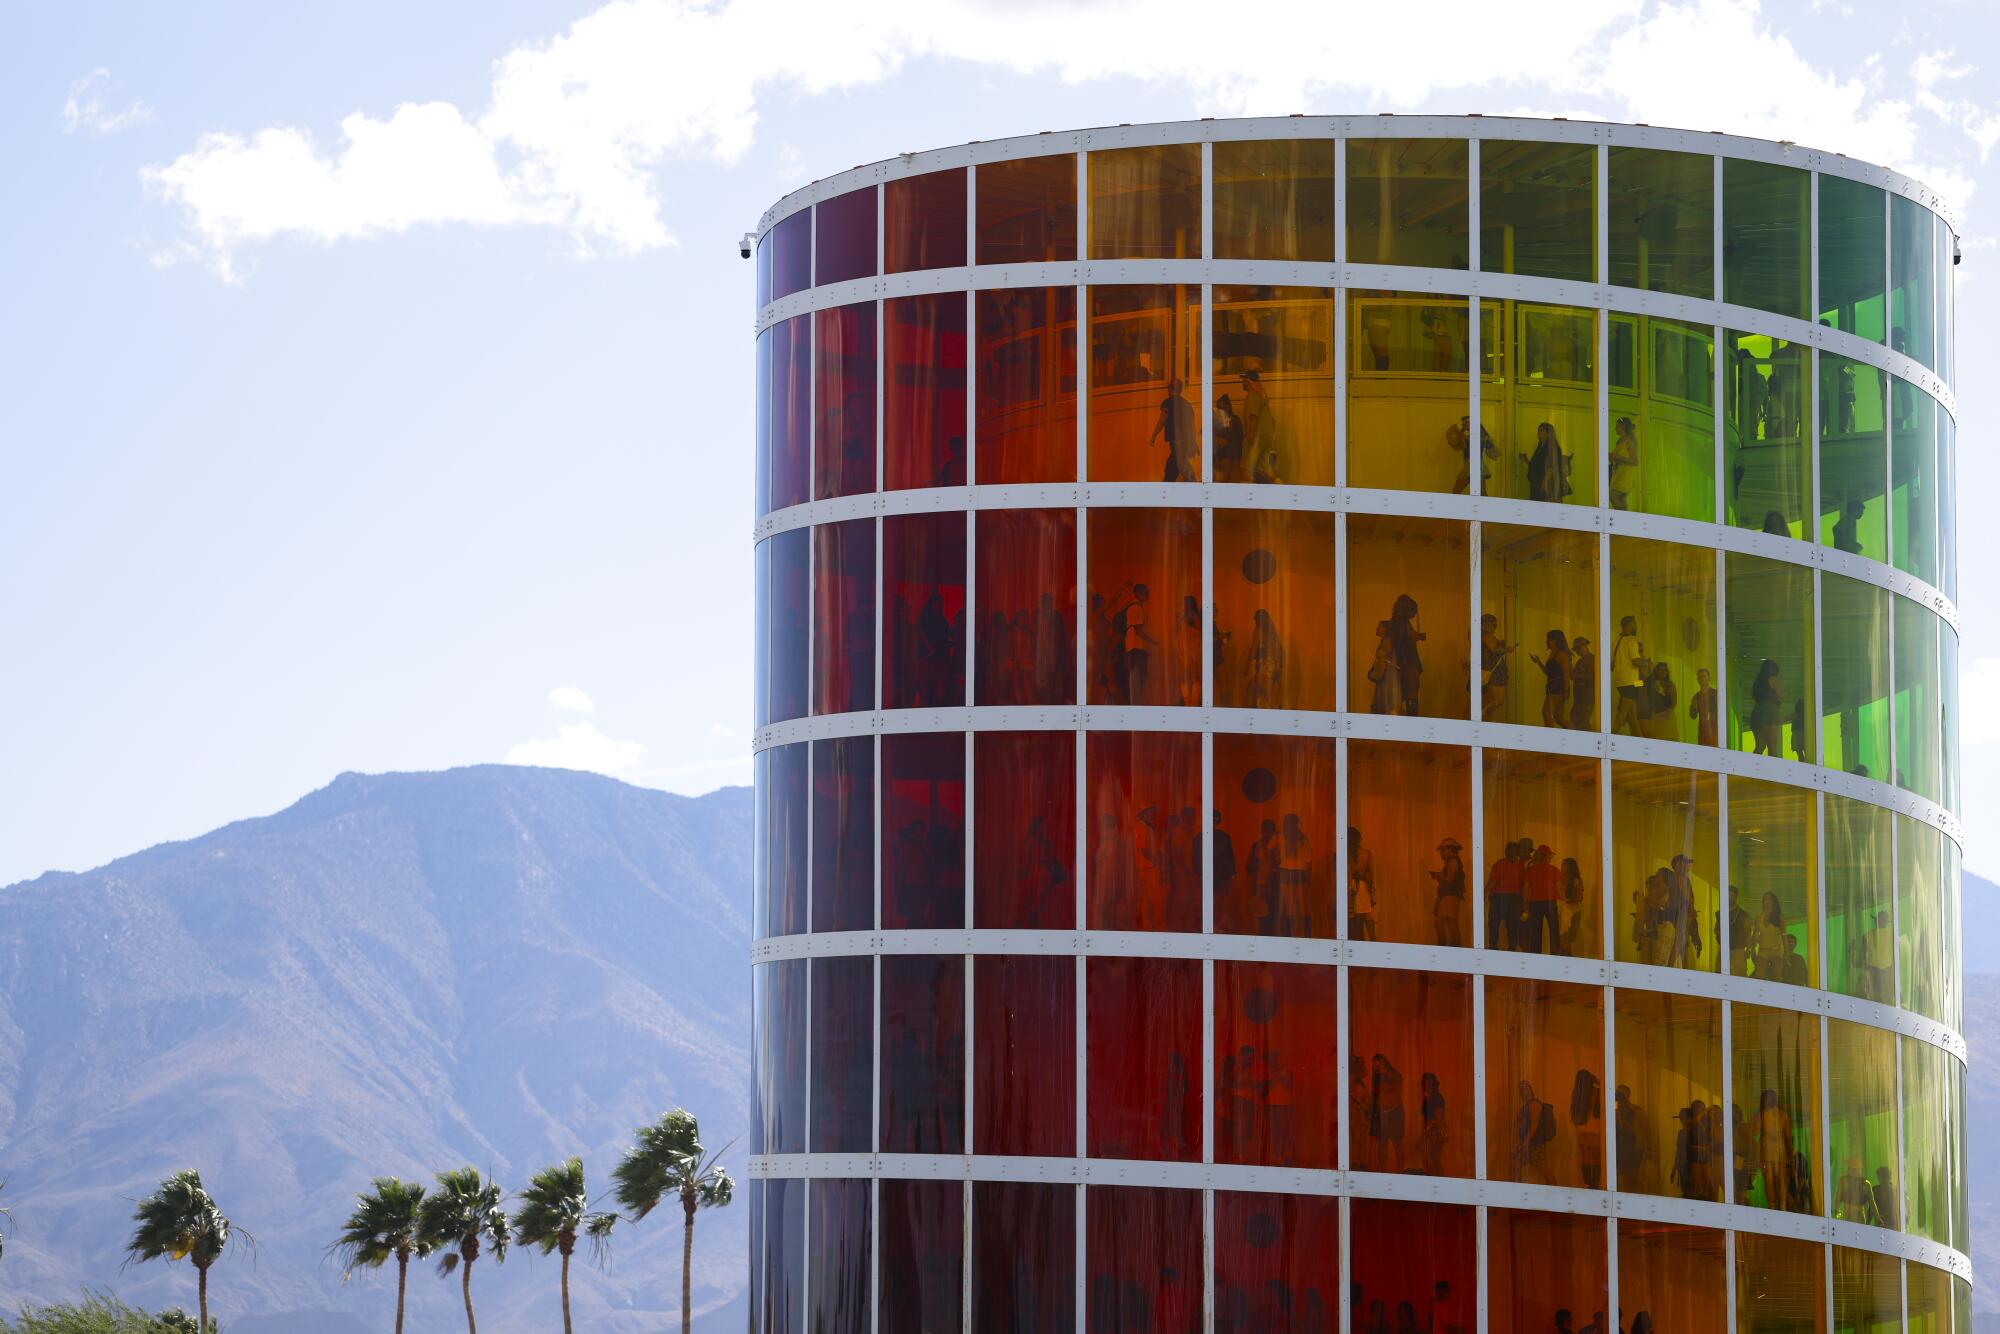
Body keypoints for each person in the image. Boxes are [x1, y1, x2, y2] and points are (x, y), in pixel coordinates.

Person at [1111, 583, 1157, 705]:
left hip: (1134, 647)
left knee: (1136, 676)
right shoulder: (1136, 608)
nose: (1147, 594)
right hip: (1136, 647)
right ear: (1138, 594)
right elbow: (1138, 630)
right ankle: (1134, 703)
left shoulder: (1135, 607)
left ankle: (1134, 702)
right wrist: (1152, 640)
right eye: (1144, 592)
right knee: (1136, 676)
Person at [1149, 378, 1199, 482]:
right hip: (1185, 442)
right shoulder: (1187, 405)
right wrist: (1194, 442)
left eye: (1169, 387)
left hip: (1176, 442)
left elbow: (1162, 421)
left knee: (1174, 467)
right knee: (1179, 465)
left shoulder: (1167, 403)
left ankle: (1190, 485)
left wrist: (1154, 435)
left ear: (1171, 389)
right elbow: (1191, 426)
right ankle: (1191, 484)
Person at [1385, 594, 1426, 716]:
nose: (1415, 613)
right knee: (1412, 695)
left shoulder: (1396, 622)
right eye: (1413, 610)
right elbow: (1411, 637)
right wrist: (1419, 636)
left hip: (1402, 664)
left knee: (1406, 695)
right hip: (1409, 663)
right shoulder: (1403, 623)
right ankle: (1412, 721)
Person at [1757, 1089, 1795, 1211]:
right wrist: (1790, 1154)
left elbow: (1756, 1131)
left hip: (1767, 1148)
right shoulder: (1783, 1115)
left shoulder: (1763, 1114)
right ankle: (1782, 1205)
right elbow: (1788, 1138)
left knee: (1769, 1178)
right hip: (1780, 1148)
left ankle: (1772, 1205)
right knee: (1780, 1179)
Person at [1485, 838, 1527, 951]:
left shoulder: (1500, 864)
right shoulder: (1519, 866)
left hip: (1500, 897)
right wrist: (1524, 901)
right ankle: (1511, 947)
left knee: (1495, 923)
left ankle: (1494, 946)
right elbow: (1523, 886)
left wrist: (1484, 893)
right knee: (1512, 925)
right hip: (1514, 898)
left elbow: (1492, 882)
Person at [1277, 813, 1313, 936]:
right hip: (1300, 874)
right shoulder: (1302, 838)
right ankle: (1301, 934)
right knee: (1302, 907)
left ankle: (1290, 933)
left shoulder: (1280, 837)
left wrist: (1275, 864)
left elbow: (1269, 850)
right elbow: (1309, 860)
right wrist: (1309, 877)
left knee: (1288, 906)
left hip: (1285, 873)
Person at [1513, 1080, 1555, 1183]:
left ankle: (1555, 1189)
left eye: (1525, 1088)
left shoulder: (1534, 1103)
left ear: (1530, 1090)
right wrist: (1520, 1144)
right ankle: (1515, 1190)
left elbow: (1534, 1124)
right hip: (1528, 1143)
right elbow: (1521, 1127)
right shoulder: (1524, 1107)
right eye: (1521, 1089)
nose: (1523, 1091)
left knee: (1543, 1169)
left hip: (1535, 1144)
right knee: (1516, 1163)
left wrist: (1526, 1143)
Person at [1369, 1054, 1405, 1172]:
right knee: (1382, 1144)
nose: (1377, 1067)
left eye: (1379, 1064)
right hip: (1381, 1115)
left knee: (1397, 1143)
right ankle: (1383, 1170)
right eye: (1375, 1065)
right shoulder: (1376, 1077)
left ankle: (1400, 1170)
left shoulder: (1394, 1075)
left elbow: (1397, 1084)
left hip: (1394, 1113)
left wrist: (1384, 1072)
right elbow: (1375, 1096)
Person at [1524, 844, 1562, 954]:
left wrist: (1525, 903)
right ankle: (1555, 954)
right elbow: (1559, 888)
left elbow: (1527, 888)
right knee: (1554, 930)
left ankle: (1536, 956)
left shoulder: (1531, 870)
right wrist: (1564, 900)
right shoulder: (1554, 870)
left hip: (1534, 902)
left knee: (1535, 932)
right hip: (1550, 902)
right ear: (1547, 856)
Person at [1610, 616, 1645, 735]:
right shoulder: (1631, 641)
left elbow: (1613, 662)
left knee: (1632, 715)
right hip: (1630, 681)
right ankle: (1612, 735)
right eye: (1635, 624)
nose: (1636, 626)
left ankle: (1639, 740)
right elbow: (1635, 661)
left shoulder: (1616, 641)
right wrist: (1648, 662)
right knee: (1624, 710)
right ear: (1629, 625)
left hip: (1620, 680)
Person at [1530, 629, 1572, 729]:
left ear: (1554, 640)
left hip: (1558, 688)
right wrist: (1539, 663)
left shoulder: (1561, 654)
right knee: (1558, 717)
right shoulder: (1553, 653)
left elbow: (1566, 674)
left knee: (1547, 713)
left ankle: (1551, 738)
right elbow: (1548, 673)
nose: (1546, 642)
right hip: (1552, 686)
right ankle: (1574, 733)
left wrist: (1566, 691)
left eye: (1548, 639)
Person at [1522, 420, 1571, 503]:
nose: (1538, 432)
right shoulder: (1540, 446)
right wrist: (1526, 461)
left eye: (1541, 430)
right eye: (1538, 430)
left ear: (1548, 433)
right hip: (1537, 483)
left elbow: (1553, 466)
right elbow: (1537, 465)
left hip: (1546, 485)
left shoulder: (1553, 447)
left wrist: (1545, 481)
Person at [1571, 1069, 1604, 1188]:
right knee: (1596, 1157)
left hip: (1581, 1127)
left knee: (1585, 1156)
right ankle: (1595, 1182)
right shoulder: (1595, 1091)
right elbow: (1606, 1091)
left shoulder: (1577, 1093)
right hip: (1594, 1127)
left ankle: (1587, 1182)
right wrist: (1597, 1082)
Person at [1431, 837, 1466, 947]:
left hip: (1449, 897)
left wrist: (1439, 876)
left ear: (1448, 849)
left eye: (1442, 850)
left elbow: (1450, 879)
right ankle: (1450, 944)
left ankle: (1450, 945)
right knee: (1444, 922)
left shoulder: (1452, 861)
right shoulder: (1452, 861)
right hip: (1448, 897)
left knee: (1448, 922)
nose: (1441, 853)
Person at [1480, 613, 1516, 721]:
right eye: (1493, 624)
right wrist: (1506, 649)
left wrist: (1501, 644)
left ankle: (1485, 715)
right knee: (1498, 700)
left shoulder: (1486, 636)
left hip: (1497, 670)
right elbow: (1493, 650)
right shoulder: (1486, 636)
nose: (1494, 627)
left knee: (1498, 700)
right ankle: (1483, 712)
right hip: (1494, 670)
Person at [1247, 608, 1284, 708]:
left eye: (1255, 619)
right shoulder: (1272, 632)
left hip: (1264, 669)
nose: (1254, 621)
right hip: (1273, 669)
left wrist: (1246, 667)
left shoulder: (1258, 631)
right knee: (1255, 693)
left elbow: (1253, 651)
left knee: (1267, 700)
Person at [1239, 370, 1272, 482]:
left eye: (1243, 380)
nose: (1242, 382)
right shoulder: (1260, 396)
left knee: (1247, 470)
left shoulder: (1252, 395)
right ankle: (1278, 485)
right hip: (1266, 436)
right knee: (1265, 470)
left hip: (1257, 436)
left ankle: (1245, 496)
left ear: (1248, 381)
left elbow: (1253, 416)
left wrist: (1250, 435)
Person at [1348, 826, 1377, 940]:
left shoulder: (1346, 854)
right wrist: (1372, 894)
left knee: (1355, 923)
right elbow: (1371, 875)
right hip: (1364, 887)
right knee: (1367, 918)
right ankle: (1372, 944)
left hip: (1351, 887)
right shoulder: (1367, 853)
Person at [1834, 1154, 1881, 1226]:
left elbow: (1838, 1199)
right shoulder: (1865, 1183)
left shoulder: (1844, 1181)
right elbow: (1872, 1202)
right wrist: (1877, 1217)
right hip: (1854, 1215)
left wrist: (1835, 1212)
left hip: (1851, 1215)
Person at [1750, 659, 1784, 757]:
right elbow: (1780, 694)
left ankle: (1753, 768)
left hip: (1757, 712)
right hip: (1770, 712)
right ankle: (1773, 770)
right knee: (1772, 747)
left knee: (1760, 746)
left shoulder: (1757, 682)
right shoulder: (1773, 679)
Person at [1418, 1072, 1449, 1175]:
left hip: (1436, 1132)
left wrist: (1433, 1133)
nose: (1425, 1084)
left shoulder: (1437, 1098)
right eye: (1424, 1082)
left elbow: (1439, 1119)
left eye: (1427, 1081)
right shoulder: (1426, 1099)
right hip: (1429, 1132)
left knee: (1434, 1159)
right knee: (1428, 1159)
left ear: (1432, 1083)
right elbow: (1425, 1119)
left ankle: (1441, 1181)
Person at [1368, 620, 1402, 715]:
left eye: (1379, 627)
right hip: (1385, 674)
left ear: (1385, 629)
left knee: (1387, 700)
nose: (1377, 629)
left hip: (1388, 675)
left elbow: (1383, 656)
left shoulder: (1387, 641)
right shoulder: (1386, 641)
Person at [1754, 891, 1788, 980]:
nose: (1767, 901)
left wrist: (1786, 953)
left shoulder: (1779, 917)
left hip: (1776, 950)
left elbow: (1784, 935)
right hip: (1762, 950)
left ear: (1774, 902)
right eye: (1765, 899)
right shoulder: (1759, 916)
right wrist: (1752, 948)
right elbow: (1755, 933)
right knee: (1758, 976)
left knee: (1775, 977)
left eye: (1770, 899)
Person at [1558, 858, 1588, 956]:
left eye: (1564, 865)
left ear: (1570, 867)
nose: (1562, 867)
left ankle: (1565, 952)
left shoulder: (1575, 880)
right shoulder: (1560, 879)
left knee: (1567, 933)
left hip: (1572, 910)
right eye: (1562, 864)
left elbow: (1580, 897)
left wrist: (1568, 900)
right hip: (1563, 909)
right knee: (1563, 932)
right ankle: (1565, 951)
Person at [1609, 415, 1639, 510]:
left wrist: (1618, 457)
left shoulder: (1629, 441)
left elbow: (1635, 461)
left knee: (1613, 496)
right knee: (1620, 498)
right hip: (1620, 473)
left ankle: (1622, 518)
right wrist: (1613, 458)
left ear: (1622, 427)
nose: (1615, 429)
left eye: (1617, 426)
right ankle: (1625, 519)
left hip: (1627, 474)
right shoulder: (1621, 441)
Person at [1642, 661, 1677, 741]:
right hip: (1654, 716)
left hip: (1669, 717)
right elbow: (1635, 684)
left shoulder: (1671, 685)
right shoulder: (1649, 681)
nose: (1663, 672)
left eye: (1665, 670)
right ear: (1656, 671)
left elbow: (1674, 702)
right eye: (1660, 670)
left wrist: (1668, 712)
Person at [1214, 392, 1245, 482]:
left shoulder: (1232, 421)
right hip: (1233, 456)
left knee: (1226, 478)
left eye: (1222, 408)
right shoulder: (1234, 420)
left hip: (1229, 456)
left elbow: (1226, 441)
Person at [1569, 636, 1597, 730]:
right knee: (1575, 723)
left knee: (1583, 725)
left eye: (1579, 647)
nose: (1577, 651)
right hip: (1578, 699)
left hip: (1587, 699)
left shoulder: (1593, 659)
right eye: (1575, 648)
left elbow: (1596, 677)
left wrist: (1579, 676)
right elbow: (1572, 676)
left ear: (1586, 646)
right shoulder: (1579, 661)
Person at [1689, 667, 1719, 747]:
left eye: (1704, 676)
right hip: (1703, 732)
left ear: (1709, 678)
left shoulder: (1715, 693)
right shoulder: (1696, 697)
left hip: (1715, 731)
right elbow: (1693, 716)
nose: (1701, 678)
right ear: (1697, 679)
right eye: (1699, 676)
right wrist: (1693, 708)